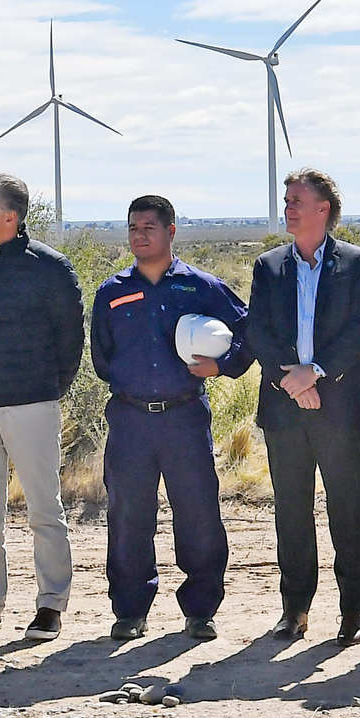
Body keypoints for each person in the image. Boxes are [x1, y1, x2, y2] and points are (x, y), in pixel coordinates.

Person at [91, 194, 250, 642]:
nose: (140, 236)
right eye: (133, 229)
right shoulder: (112, 291)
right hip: (130, 419)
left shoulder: (199, 286)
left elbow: (248, 330)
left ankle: (200, 610)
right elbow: (102, 355)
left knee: (198, 514)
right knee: (128, 517)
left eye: (149, 228)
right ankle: (129, 610)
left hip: (184, 418)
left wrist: (222, 366)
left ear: (171, 232)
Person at [0, 174, 84, 642]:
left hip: (33, 405)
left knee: (45, 510)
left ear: (11, 215)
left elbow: (71, 339)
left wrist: (48, 389)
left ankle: (50, 605)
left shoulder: (51, 267)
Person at [246, 169, 360, 646]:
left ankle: (353, 613)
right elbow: (256, 329)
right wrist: (293, 380)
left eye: (297, 200)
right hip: (285, 407)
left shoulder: (356, 263)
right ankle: (294, 611)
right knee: (291, 512)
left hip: (338, 406)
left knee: (347, 510)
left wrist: (316, 372)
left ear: (324, 209)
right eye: (287, 199)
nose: (288, 207)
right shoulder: (268, 266)